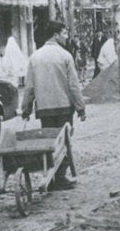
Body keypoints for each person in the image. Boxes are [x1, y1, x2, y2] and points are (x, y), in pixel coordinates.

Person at [21, 20, 86, 190]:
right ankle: (60, 178)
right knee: (63, 143)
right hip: (64, 107)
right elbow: (73, 85)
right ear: (55, 35)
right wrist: (80, 107)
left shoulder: (35, 57)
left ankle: (51, 177)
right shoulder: (65, 56)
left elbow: (29, 87)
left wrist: (26, 109)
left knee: (49, 143)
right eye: (64, 33)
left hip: (44, 109)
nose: (66, 37)